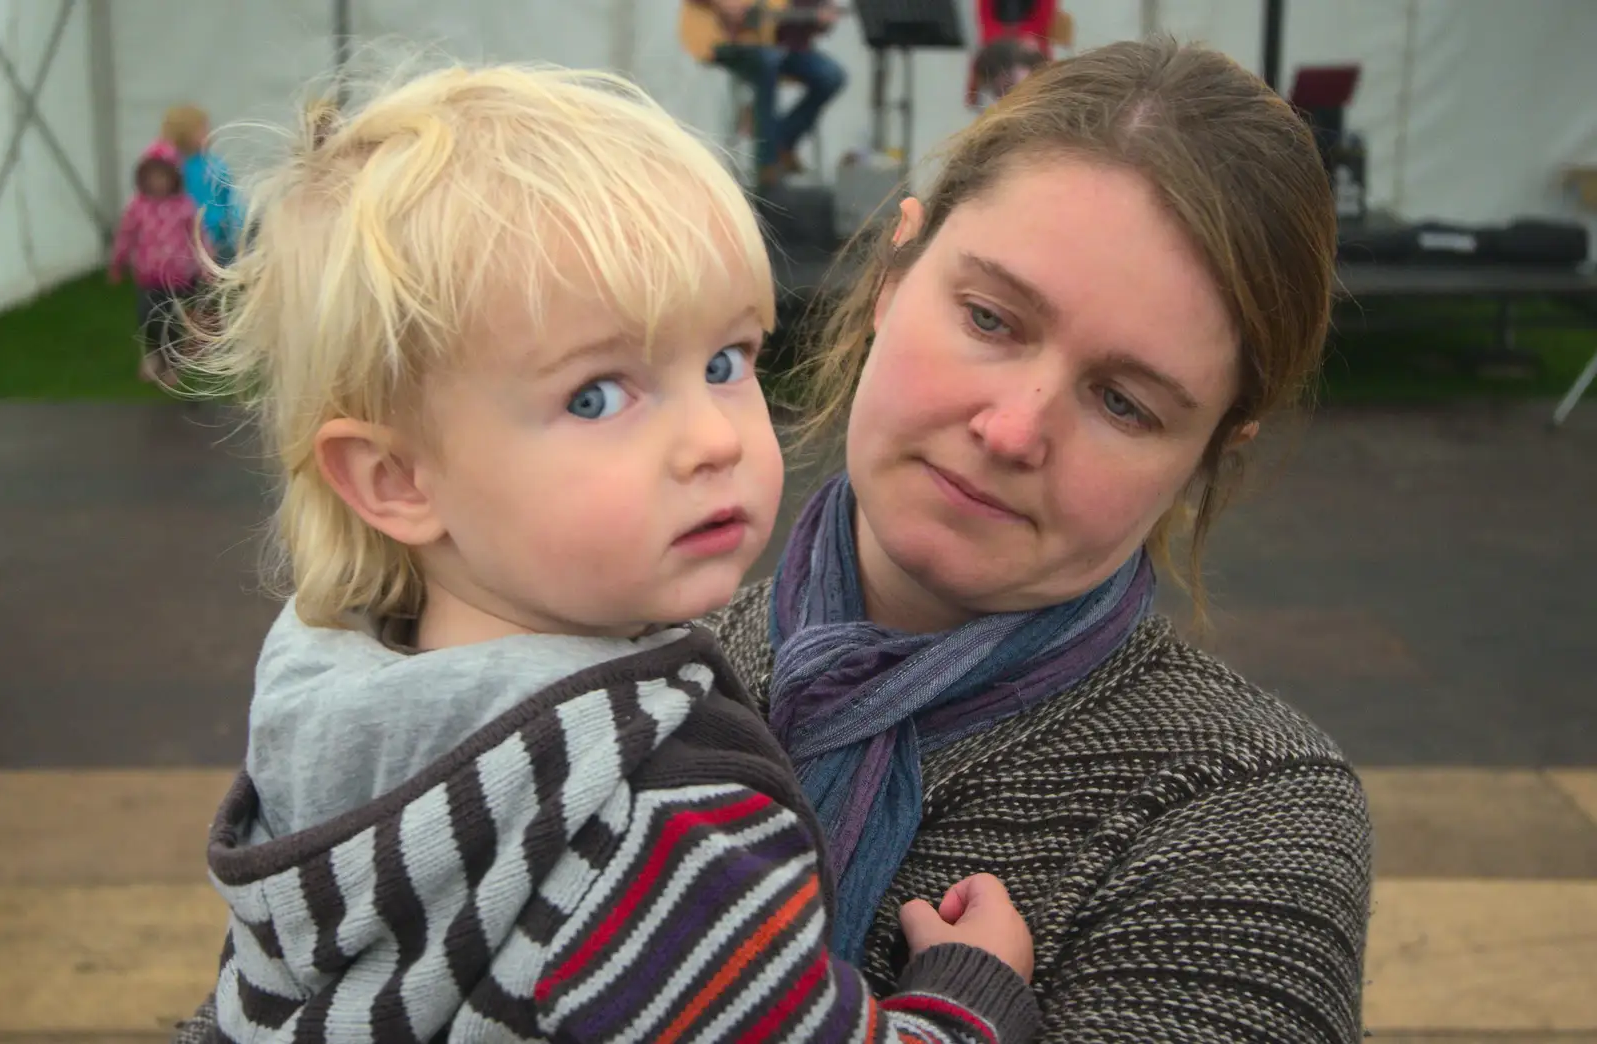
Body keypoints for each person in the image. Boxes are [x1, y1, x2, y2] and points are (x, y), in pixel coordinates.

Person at [172, 63, 1042, 1043]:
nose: (713, 439)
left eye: (726, 362)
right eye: (596, 395)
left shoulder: (321, 704)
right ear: (395, 480)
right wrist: (970, 999)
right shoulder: (652, 818)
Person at [703, 37, 1370, 1040]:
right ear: (895, 273)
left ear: (1205, 453)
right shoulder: (639, 670)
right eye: (989, 318)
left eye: (1121, 402)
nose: (1012, 431)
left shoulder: (1244, 817)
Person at [693, 0, 847, 186]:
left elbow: (805, 20)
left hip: (786, 48)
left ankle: (781, 141)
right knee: (768, 62)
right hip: (732, 42)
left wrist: (821, 20)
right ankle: (766, 162)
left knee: (831, 75)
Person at [108, 139, 206, 388]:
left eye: (163, 177)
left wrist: (207, 265)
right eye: (152, 177)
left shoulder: (185, 207)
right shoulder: (137, 207)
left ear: (174, 178)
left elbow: (198, 236)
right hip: (148, 275)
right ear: (143, 178)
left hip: (179, 276)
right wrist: (118, 263)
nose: (158, 182)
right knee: (148, 317)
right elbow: (125, 235)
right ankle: (153, 354)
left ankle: (173, 361)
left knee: (171, 320)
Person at [161, 104, 241, 265]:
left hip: (217, 237)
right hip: (184, 239)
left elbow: (228, 198)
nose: (209, 133)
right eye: (202, 129)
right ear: (185, 132)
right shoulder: (172, 166)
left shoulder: (214, 165)